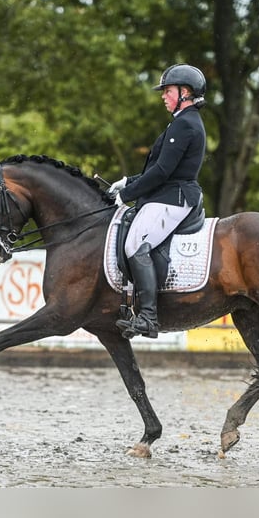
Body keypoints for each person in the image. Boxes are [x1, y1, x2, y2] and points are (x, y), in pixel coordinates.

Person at [108, 63, 207, 339]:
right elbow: (161, 168)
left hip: (173, 198)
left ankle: (149, 317)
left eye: (167, 91)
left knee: (135, 243)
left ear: (184, 92)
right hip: (168, 194)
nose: (163, 96)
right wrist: (128, 182)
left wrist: (126, 197)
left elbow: (163, 172)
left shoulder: (185, 124)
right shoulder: (182, 123)